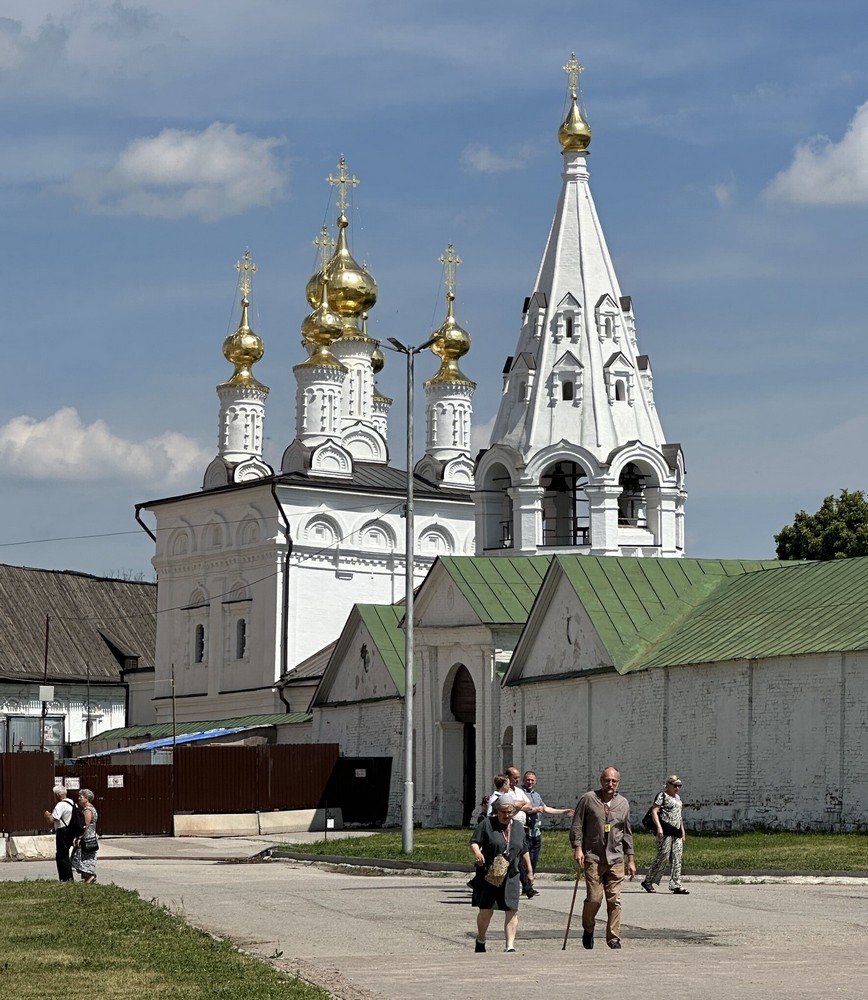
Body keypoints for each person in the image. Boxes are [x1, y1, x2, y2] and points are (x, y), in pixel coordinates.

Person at [569, 766, 636, 950]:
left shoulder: (623, 803)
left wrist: (631, 859)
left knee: (615, 901)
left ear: (618, 783)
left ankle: (613, 938)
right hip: (593, 857)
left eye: (614, 781)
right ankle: (588, 928)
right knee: (594, 899)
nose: (610, 784)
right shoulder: (588, 799)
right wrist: (578, 848)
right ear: (601, 781)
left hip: (616, 858)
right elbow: (577, 825)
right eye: (607, 780)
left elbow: (627, 832)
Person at [469, 799, 534, 952]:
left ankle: (509, 946)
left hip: (511, 875)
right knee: (486, 910)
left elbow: (524, 850)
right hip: (489, 875)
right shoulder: (487, 824)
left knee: (511, 910)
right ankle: (481, 938)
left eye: (509, 812)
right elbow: (474, 841)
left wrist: (530, 871)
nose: (506, 815)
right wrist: (477, 852)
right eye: (503, 812)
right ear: (496, 811)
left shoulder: (518, 827)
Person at [519, 770, 574, 898]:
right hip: (525, 832)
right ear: (523, 780)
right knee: (524, 861)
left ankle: (528, 886)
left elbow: (545, 808)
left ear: (535, 781)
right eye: (528, 780)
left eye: (532, 780)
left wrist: (563, 812)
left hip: (536, 833)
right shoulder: (520, 793)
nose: (530, 782)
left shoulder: (537, 795)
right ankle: (527, 887)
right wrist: (533, 809)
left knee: (533, 861)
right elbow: (518, 808)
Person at [641, 775, 688, 895]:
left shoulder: (677, 798)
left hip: (676, 831)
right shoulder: (662, 796)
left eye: (679, 786)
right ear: (668, 785)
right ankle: (648, 881)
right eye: (675, 785)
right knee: (663, 856)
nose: (677, 788)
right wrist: (659, 828)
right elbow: (654, 811)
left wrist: (682, 831)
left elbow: (679, 815)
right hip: (666, 830)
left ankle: (676, 884)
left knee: (677, 858)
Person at [44, 784, 73, 882]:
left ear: (58, 795)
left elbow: (52, 820)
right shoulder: (72, 803)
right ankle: (68, 877)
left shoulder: (60, 805)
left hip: (62, 831)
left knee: (61, 855)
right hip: (70, 830)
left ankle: (65, 878)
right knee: (65, 854)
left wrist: (47, 816)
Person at [70, 788, 99, 884]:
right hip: (90, 836)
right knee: (82, 858)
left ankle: (89, 876)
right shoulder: (89, 808)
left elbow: (85, 825)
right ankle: (87, 877)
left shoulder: (88, 810)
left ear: (87, 798)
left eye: (81, 797)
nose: (79, 798)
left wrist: (79, 837)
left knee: (83, 858)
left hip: (87, 838)